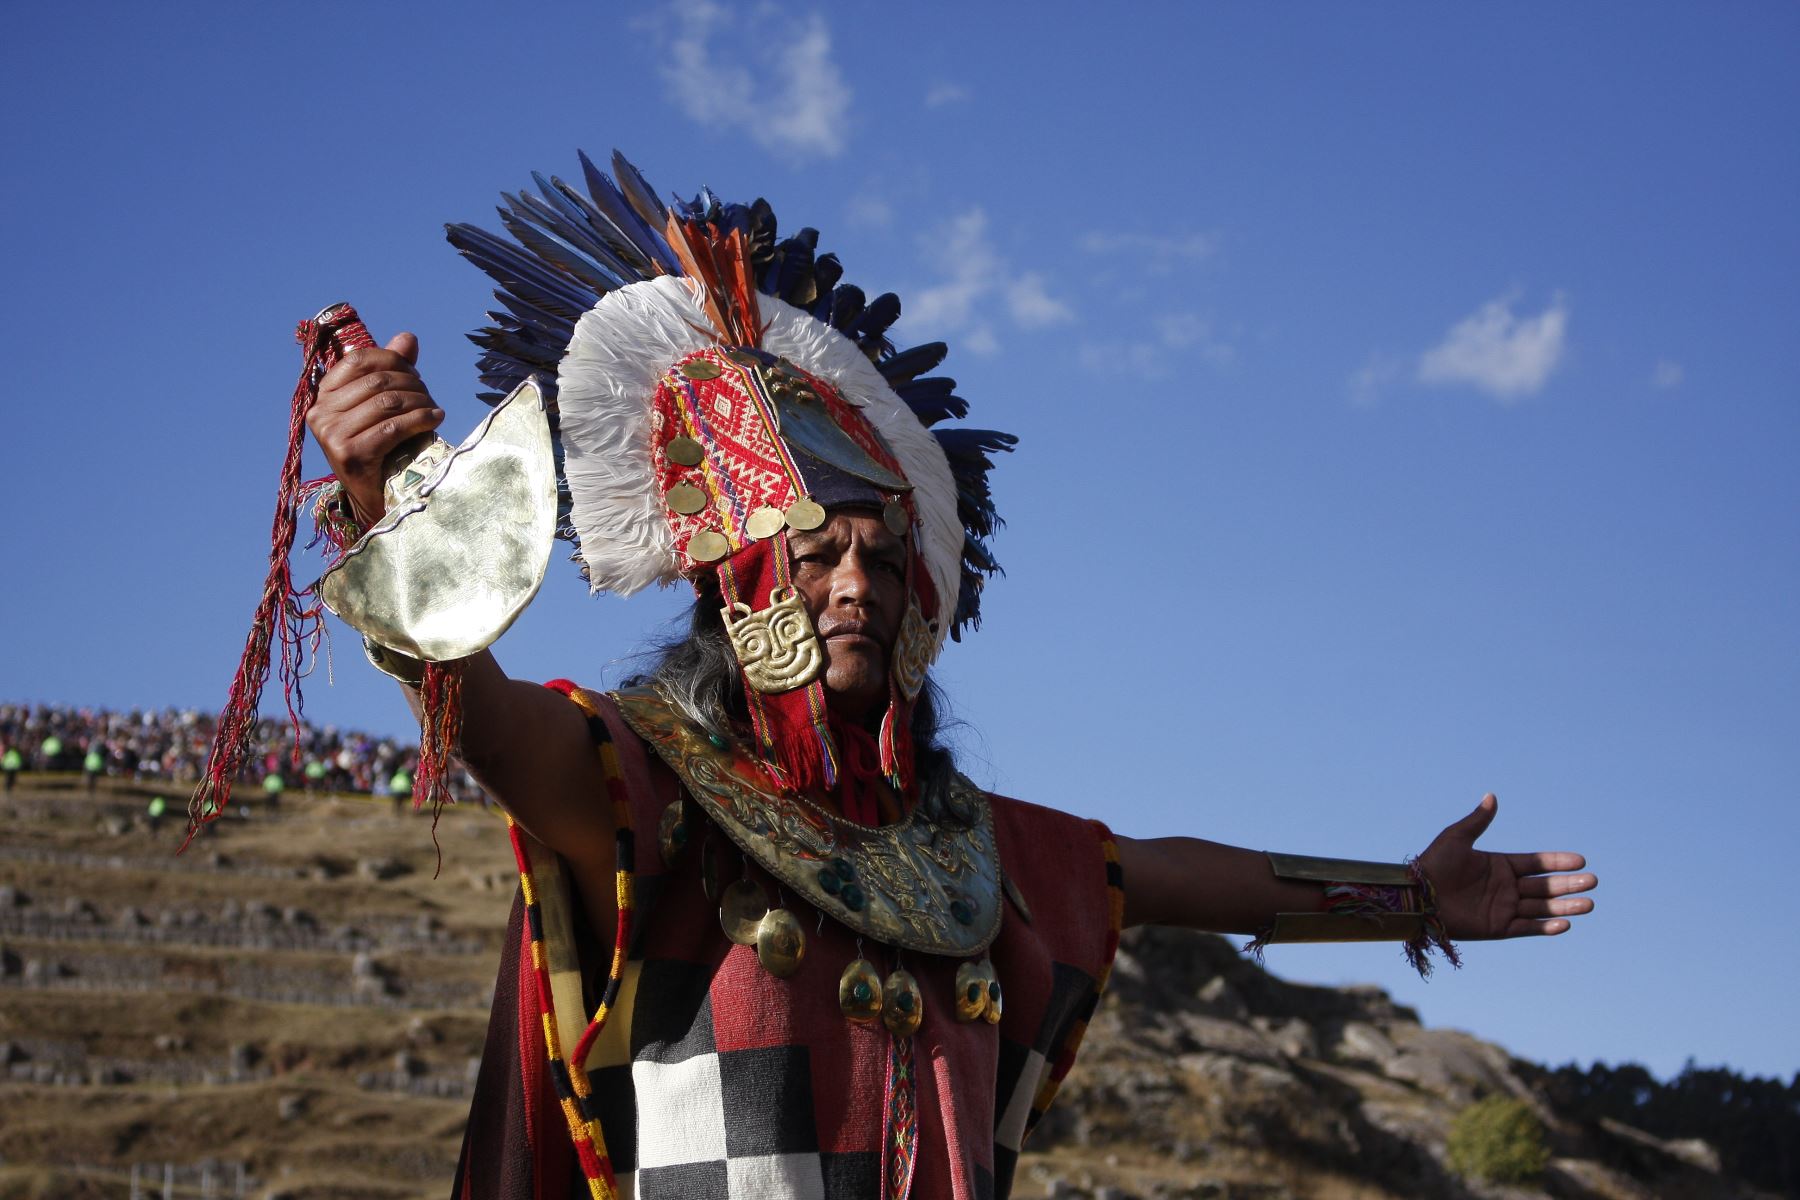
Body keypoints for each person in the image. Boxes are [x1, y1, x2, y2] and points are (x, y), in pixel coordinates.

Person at [300, 154, 1596, 1200]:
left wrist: (1410, 898)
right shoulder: (651, 786)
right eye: (813, 555)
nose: (854, 583)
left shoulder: (977, 850)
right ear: (736, 584)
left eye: (878, 556)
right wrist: (384, 503)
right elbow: (484, 719)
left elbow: (1189, 874)